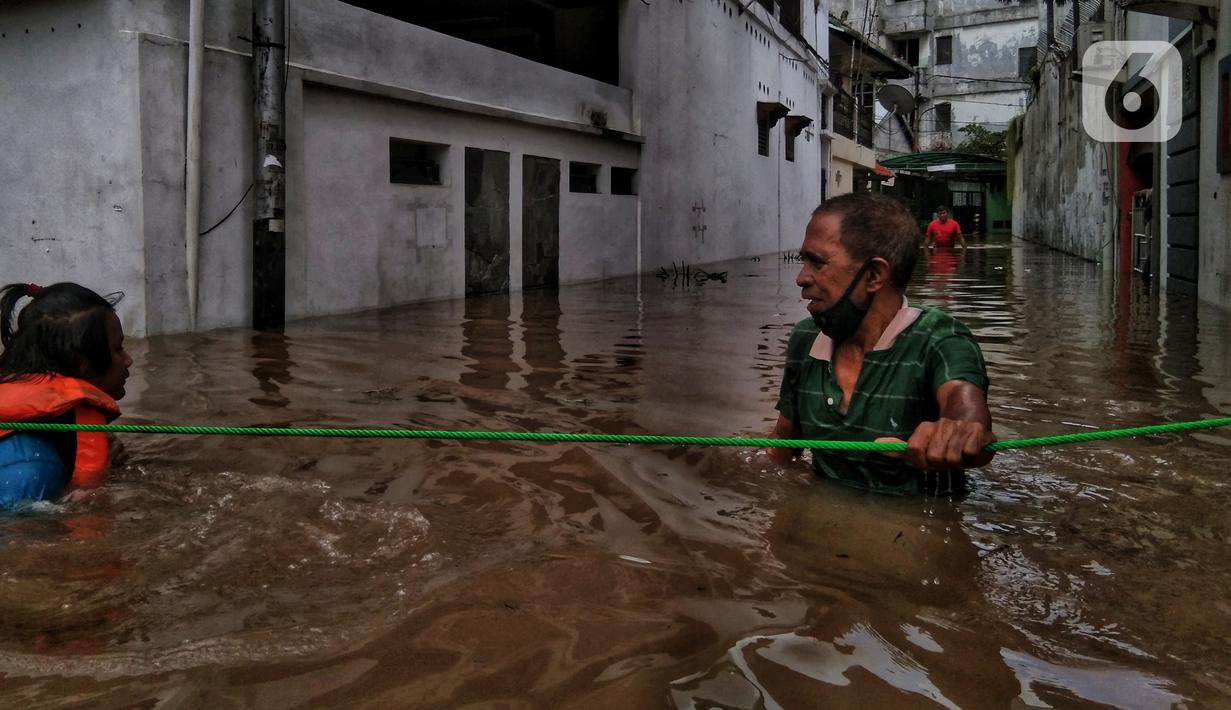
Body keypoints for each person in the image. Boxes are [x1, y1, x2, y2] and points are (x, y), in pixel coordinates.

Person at [767, 193, 994, 495]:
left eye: (817, 262)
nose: (801, 278)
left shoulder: (940, 338)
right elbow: (784, 445)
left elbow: (964, 405)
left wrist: (958, 429)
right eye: (802, 260)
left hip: (918, 529)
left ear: (874, 275)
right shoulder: (805, 339)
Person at [0, 282, 132, 507]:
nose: (128, 360)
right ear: (80, 364)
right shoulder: (32, 468)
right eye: (118, 349)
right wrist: (101, 479)